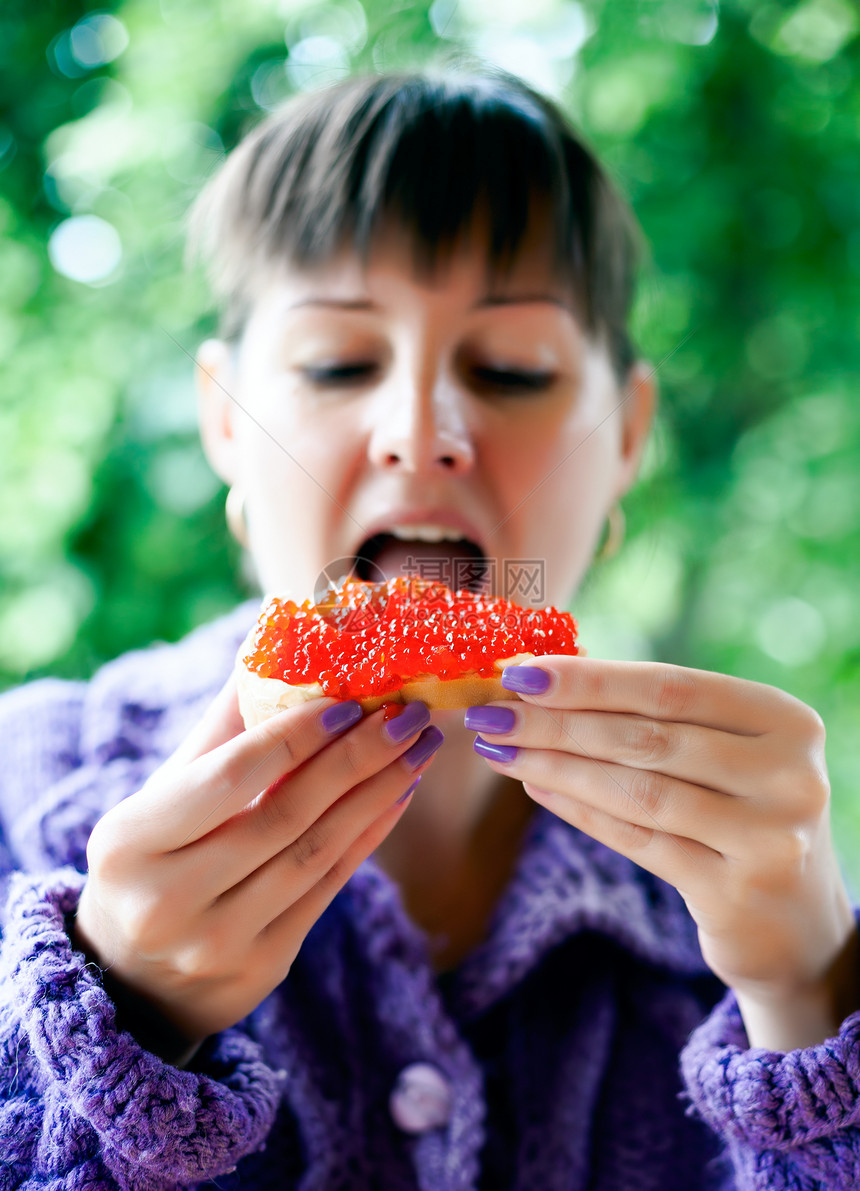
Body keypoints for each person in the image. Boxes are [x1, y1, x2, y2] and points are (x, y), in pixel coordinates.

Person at [1, 64, 859, 1190]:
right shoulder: (23, 801)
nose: (420, 431)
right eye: (336, 363)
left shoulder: (759, 892)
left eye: (510, 369)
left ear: (627, 440)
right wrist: (121, 1032)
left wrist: (809, 1009)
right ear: (225, 424)